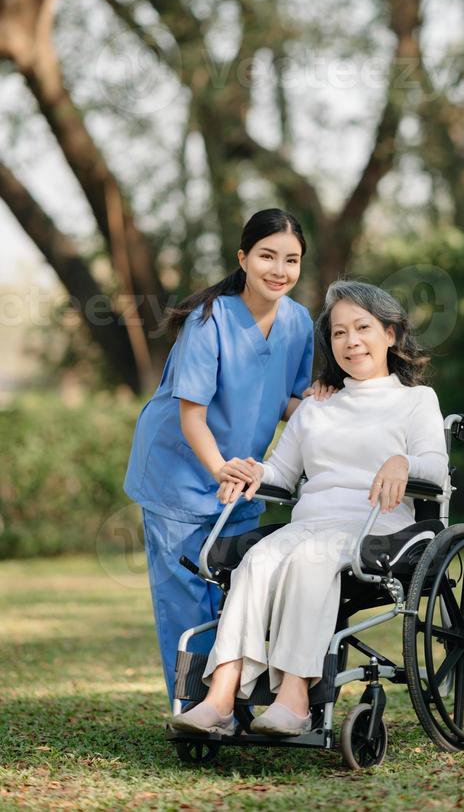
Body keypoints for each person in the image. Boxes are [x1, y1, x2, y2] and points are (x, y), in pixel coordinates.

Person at [171, 279, 449, 737]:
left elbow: (435, 471)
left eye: (363, 327)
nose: (351, 341)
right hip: (312, 522)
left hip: (377, 527)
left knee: (309, 559)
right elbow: (281, 473)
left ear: (391, 334)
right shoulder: (316, 406)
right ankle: (219, 698)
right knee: (257, 559)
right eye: (339, 333)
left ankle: (295, 699)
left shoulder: (415, 400)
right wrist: (253, 473)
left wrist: (404, 461)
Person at [123, 208, 323, 703]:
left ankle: (230, 699)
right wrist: (219, 469)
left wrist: (337, 408)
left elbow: (288, 402)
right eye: (267, 256)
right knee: (188, 597)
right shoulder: (208, 320)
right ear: (244, 258)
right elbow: (192, 417)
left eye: (291, 260)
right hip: (180, 473)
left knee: (235, 592)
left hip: (240, 479)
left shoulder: (298, 322)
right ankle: (192, 707)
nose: (279, 269)